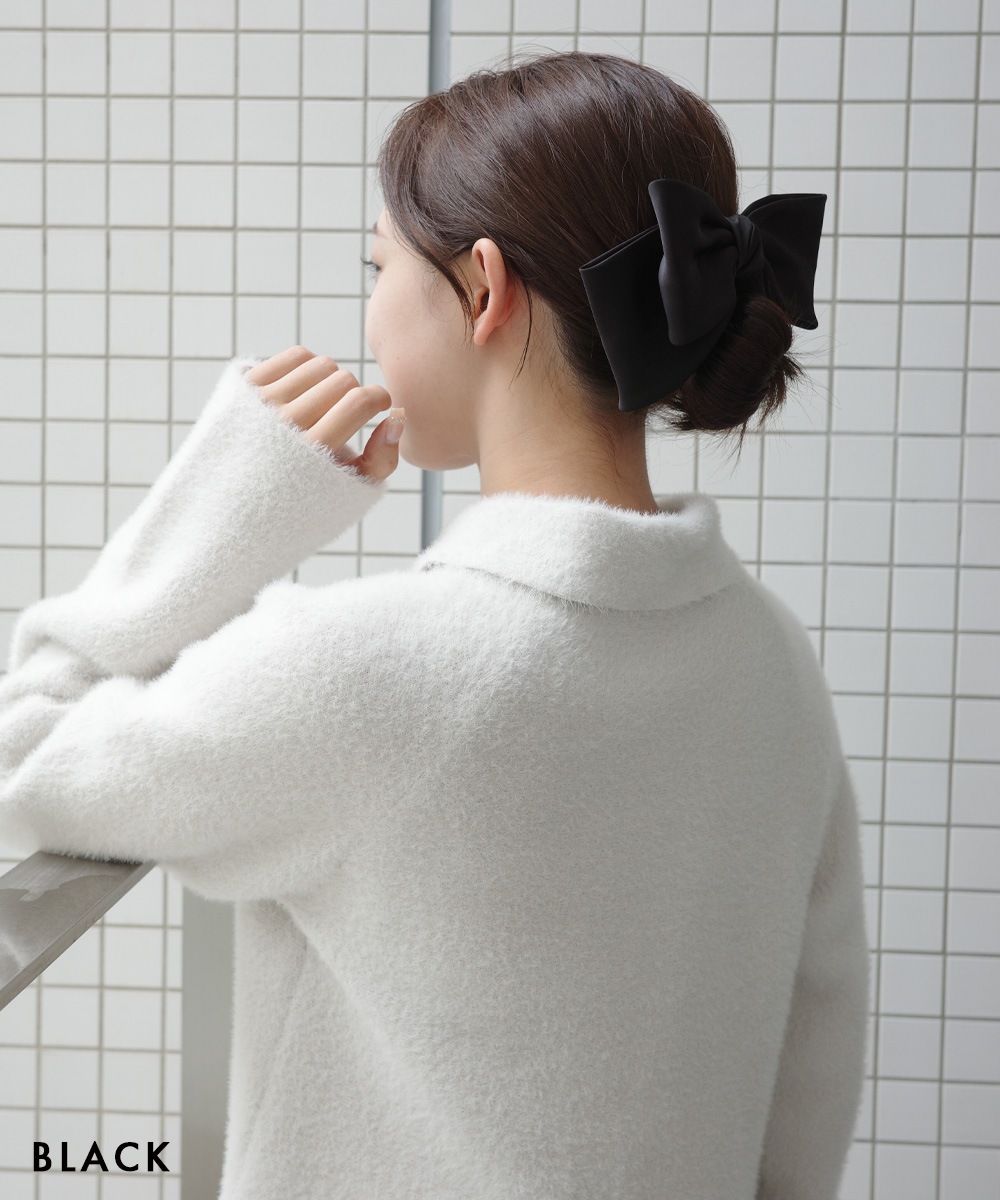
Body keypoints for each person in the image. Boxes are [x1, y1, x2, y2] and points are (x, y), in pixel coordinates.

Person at [0, 49, 869, 1200]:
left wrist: (231, 499)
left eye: (379, 266)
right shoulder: (768, 663)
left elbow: (30, 755)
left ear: (484, 288)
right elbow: (812, 1077)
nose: (369, 310)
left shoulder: (369, 669)